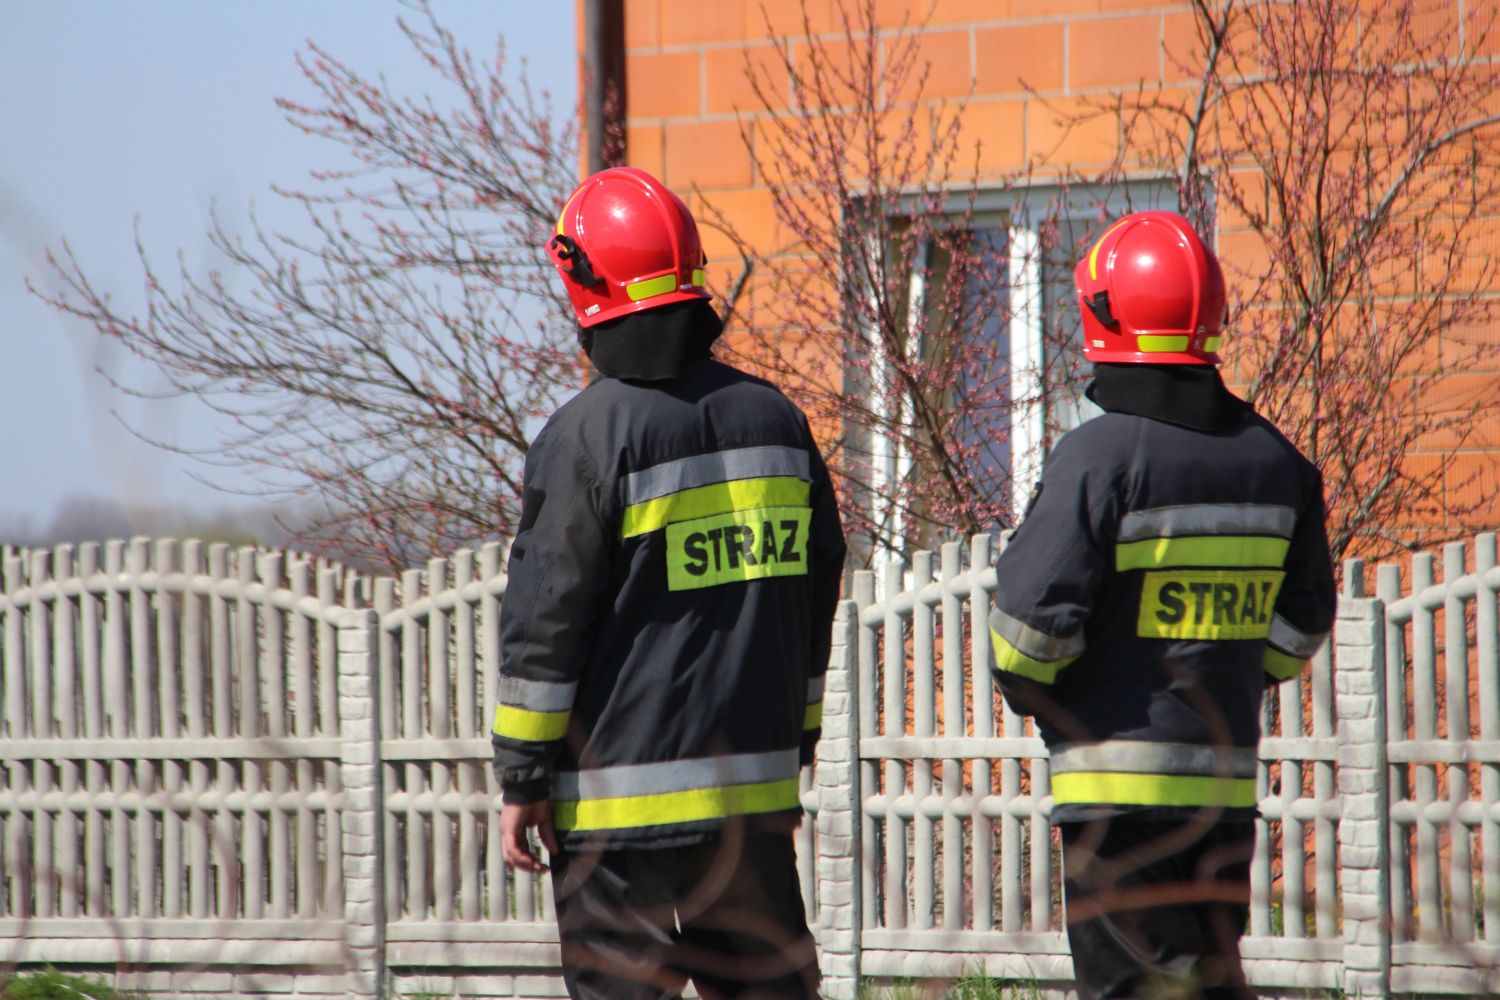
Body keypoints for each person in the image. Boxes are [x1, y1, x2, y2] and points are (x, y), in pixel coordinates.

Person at [491, 166, 846, 999]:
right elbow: (816, 590)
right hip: (751, 804)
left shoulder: (586, 438)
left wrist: (522, 778)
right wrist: (793, 740)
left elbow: (547, 619)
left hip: (618, 822)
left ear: (585, 283)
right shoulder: (779, 423)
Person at [987, 211, 1336, 999]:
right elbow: (1302, 623)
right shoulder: (1278, 463)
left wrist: (1057, 698)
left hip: (1117, 799)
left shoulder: (1098, 458)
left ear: (1105, 315)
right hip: (1221, 793)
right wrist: (1227, 663)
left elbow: (1023, 643)